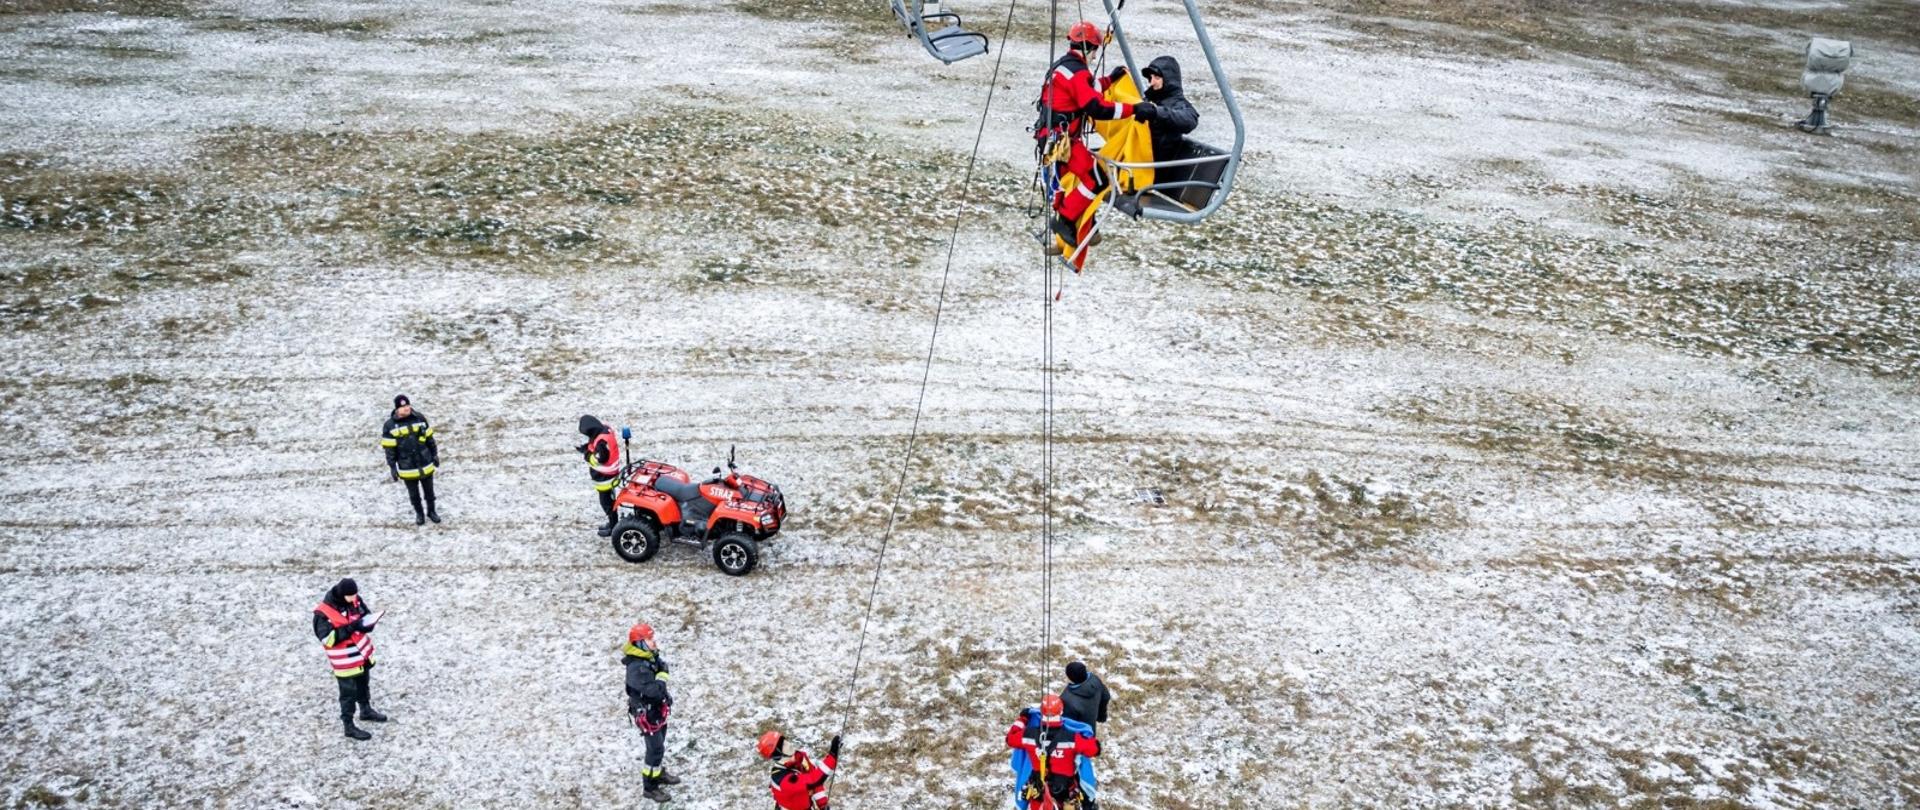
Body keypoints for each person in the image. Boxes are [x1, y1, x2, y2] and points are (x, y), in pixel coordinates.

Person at [1036, 20, 1134, 270]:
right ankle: (1067, 220)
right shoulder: (1078, 72)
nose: (1094, 56)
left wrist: (1110, 80)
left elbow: (1085, 90)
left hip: (1051, 139)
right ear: (1090, 48)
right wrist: (1135, 109)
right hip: (1063, 141)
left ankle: (1081, 224)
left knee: (1067, 183)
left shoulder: (1063, 67)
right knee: (1097, 179)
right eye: (1095, 51)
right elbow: (1095, 106)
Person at [312, 578, 385, 740]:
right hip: (345, 663)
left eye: (355, 595)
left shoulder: (355, 600)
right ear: (341, 594)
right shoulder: (322, 614)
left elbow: (365, 615)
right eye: (350, 596)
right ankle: (349, 726)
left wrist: (368, 624)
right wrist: (352, 627)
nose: (354, 599)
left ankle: (365, 710)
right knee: (348, 694)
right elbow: (328, 639)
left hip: (361, 656)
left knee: (363, 684)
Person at [1006, 695, 1100, 810]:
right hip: (1065, 795)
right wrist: (1086, 734)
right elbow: (1095, 750)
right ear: (1061, 712)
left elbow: (1010, 739)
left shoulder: (1028, 735)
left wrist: (1023, 719)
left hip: (1038, 794)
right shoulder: (1072, 738)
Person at [624, 622, 678, 803]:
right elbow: (654, 690)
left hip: (656, 710)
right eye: (649, 639)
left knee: (660, 744)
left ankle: (658, 772)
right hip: (648, 714)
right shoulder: (636, 668)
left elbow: (661, 667)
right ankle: (650, 786)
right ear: (639, 643)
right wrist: (662, 676)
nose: (653, 642)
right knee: (654, 749)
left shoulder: (649, 657)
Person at [380, 394, 440, 526]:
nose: (406, 408)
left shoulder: (419, 418)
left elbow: (429, 438)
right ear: (397, 409)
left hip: (425, 462)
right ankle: (419, 514)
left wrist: (434, 454)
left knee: (429, 491)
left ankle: (432, 511)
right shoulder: (390, 426)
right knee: (414, 494)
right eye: (403, 407)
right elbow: (389, 450)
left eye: (407, 405)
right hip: (407, 467)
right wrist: (393, 467)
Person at [1128, 56, 1199, 162]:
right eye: (1151, 78)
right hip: (1140, 159)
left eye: (1156, 78)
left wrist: (1156, 113)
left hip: (1158, 168)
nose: (1151, 82)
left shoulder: (1178, 103)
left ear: (1169, 80)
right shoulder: (1149, 99)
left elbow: (1190, 119)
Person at [758, 730, 841, 809]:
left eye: (785, 741)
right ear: (777, 753)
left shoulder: (800, 758)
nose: (789, 744)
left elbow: (815, 783)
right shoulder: (781, 779)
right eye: (783, 745)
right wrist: (832, 756)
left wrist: (822, 804)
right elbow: (814, 780)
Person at [577, 415, 623, 537]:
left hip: (605, 477)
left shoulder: (601, 442)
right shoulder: (604, 430)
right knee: (610, 501)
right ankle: (613, 523)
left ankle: (614, 527)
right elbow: (597, 445)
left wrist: (587, 455)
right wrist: (588, 447)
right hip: (610, 474)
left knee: (606, 503)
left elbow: (601, 458)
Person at [1059, 661, 1112, 737]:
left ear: (1070, 677)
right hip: (1090, 732)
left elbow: (1066, 724)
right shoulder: (1095, 680)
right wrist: (1101, 715)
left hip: (1076, 740)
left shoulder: (1067, 699)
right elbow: (1106, 696)